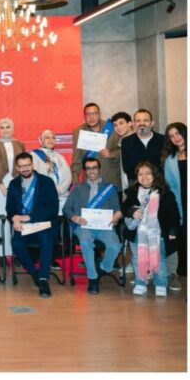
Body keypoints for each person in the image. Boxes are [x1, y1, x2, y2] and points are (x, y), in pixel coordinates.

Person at [63, 157, 123, 294]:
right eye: (88, 168)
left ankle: (103, 268)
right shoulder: (77, 188)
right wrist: (75, 217)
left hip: (105, 227)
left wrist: (117, 215)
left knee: (115, 246)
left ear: (100, 169)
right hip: (83, 226)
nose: (92, 171)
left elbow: (117, 208)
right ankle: (92, 278)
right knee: (85, 242)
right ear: (84, 171)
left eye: (94, 168)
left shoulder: (110, 188)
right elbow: (66, 209)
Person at [122, 161, 180, 297]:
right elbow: (124, 208)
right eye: (140, 174)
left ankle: (160, 283)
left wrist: (172, 230)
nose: (144, 177)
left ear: (155, 175)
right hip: (137, 232)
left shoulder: (165, 193)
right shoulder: (132, 192)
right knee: (137, 258)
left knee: (159, 258)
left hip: (158, 233)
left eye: (148, 173)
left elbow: (174, 214)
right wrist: (132, 212)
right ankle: (140, 282)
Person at [6, 152, 59, 298]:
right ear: (17, 168)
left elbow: (52, 208)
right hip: (24, 226)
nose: (25, 169)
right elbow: (10, 208)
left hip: (44, 224)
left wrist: (29, 217)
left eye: (27, 165)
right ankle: (35, 274)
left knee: (46, 240)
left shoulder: (46, 182)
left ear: (32, 165)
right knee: (16, 244)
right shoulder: (13, 184)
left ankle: (43, 279)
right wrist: (14, 219)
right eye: (21, 166)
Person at [0, 117, 25, 257]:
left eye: (8, 127)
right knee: (2, 216)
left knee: (15, 216)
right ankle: (1, 253)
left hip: (16, 184)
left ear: (12, 129)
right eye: (2, 127)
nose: (5, 130)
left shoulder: (20, 144)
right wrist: (1, 186)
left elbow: (24, 165)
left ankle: (15, 252)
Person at [71, 103, 122, 191]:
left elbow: (124, 150)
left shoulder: (112, 127)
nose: (91, 117)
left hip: (111, 180)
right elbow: (77, 159)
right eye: (88, 114)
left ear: (99, 114)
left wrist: (112, 154)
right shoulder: (78, 132)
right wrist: (75, 181)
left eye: (94, 113)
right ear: (84, 116)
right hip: (90, 183)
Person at [162, 122, 186, 290]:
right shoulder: (170, 160)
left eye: (178, 133)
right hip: (181, 200)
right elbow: (170, 185)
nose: (176, 138)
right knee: (183, 233)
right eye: (171, 136)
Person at [31, 129, 72, 213]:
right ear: (41, 140)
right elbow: (33, 176)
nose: (51, 140)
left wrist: (59, 190)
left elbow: (68, 177)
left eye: (53, 138)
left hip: (61, 195)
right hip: (43, 196)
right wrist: (45, 169)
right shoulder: (34, 155)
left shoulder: (60, 157)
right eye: (47, 138)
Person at [121, 109, 166, 186]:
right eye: (138, 121)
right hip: (136, 184)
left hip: (160, 184)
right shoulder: (126, 142)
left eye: (145, 120)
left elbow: (166, 166)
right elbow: (127, 168)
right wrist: (142, 180)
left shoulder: (163, 140)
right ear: (133, 123)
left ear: (152, 123)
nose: (142, 123)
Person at [111, 112, 134, 193]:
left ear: (130, 123)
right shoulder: (121, 142)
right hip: (124, 185)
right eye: (115, 125)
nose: (118, 127)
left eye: (121, 123)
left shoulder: (136, 141)